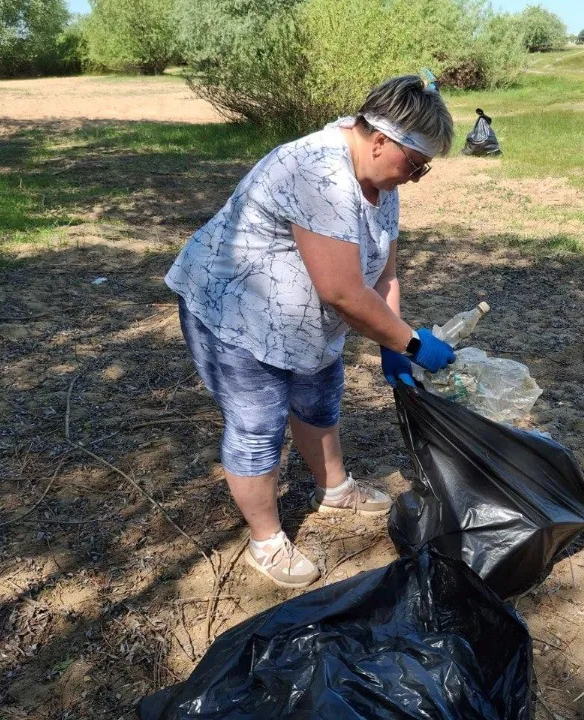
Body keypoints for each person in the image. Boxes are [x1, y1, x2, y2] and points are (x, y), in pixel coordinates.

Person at [165, 75, 457, 588]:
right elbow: (343, 293)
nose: (416, 178)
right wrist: (410, 343)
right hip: (238, 313)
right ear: (381, 140)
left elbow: (383, 273)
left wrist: (394, 343)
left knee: (320, 399)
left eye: (425, 169)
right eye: (415, 165)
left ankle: (335, 488)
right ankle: (267, 540)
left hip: (302, 322)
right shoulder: (319, 171)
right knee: (258, 427)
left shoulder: (381, 180)